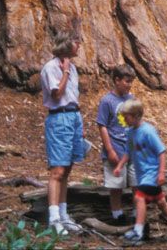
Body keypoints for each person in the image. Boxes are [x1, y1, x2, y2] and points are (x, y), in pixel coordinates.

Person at [115, 98, 167, 244]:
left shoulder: (148, 131)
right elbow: (128, 152)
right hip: (143, 175)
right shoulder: (130, 133)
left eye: (126, 116)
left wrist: (161, 172)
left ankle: (138, 231)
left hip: (152, 173)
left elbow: (161, 152)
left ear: (135, 116)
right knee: (161, 202)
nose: (124, 119)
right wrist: (120, 166)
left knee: (139, 197)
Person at [40, 33, 91, 237]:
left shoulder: (73, 68)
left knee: (67, 170)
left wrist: (80, 124)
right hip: (59, 118)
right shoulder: (51, 68)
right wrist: (66, 72)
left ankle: (63, 214)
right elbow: (57, 94)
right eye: (76, 42)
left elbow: (73, 96)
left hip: (73, 118)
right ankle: (53, 219)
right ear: (66, 45)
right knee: (58, 171)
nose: (79, 45)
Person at [96, 64, 136, 222]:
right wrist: (109, 150)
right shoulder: (107, 101)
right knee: (116, 186)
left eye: (131, 81)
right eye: (127, 81)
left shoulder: (131, 99)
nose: (129, 84)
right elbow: (102, 126)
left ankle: (136, 212)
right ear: (117, 80)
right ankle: (117, 215)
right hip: (115, 149)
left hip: (132, 149)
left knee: (136, 183)